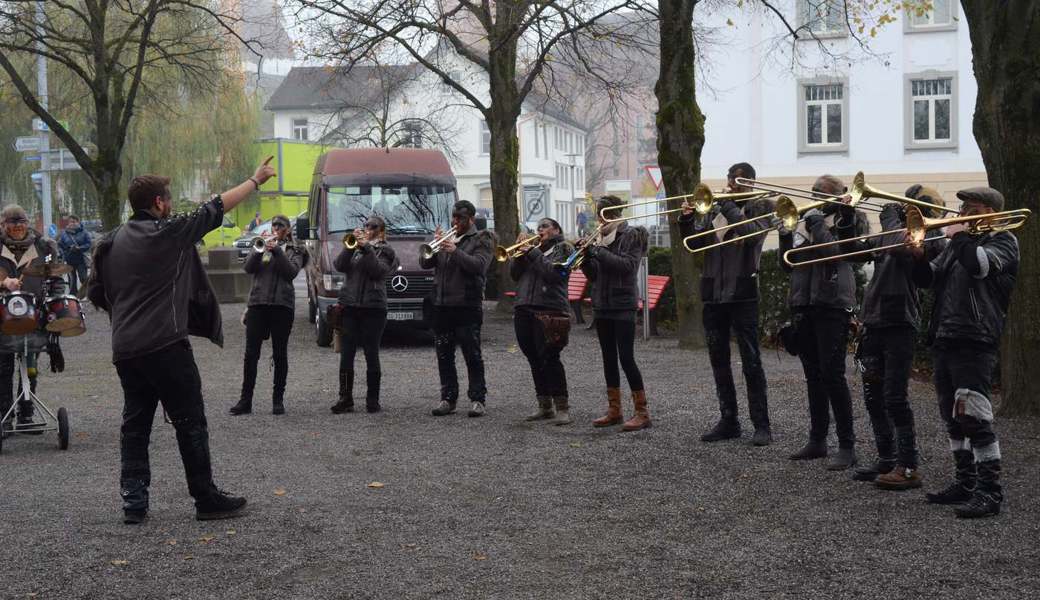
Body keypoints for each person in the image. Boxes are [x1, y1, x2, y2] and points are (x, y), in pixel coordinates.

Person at [87, 157, 276, 524]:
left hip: (125, 349)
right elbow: (216, 207)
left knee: (135, 423)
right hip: (165, 345)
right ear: (158, 203)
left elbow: (96, 293)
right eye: (168, 199)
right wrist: (255, 179)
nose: (171, 204)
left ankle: (134, 502)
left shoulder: (110, 241)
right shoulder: (166, 232)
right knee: (190, 419)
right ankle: (205, 497)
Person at [911, 187, 1018, 518]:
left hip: (976, 336)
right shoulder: (961, 245)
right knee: (952, 416)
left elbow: (979, 267)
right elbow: (927, 279)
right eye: (960, 209)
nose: (960, 214)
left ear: (988, 211)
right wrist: (913, 255)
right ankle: (966, 481)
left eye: (969, 208)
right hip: (946, 335)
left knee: (974, 415)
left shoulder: (1004, 240)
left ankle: (990, 492)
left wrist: (958, 237)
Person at [848, 186, 946, 489]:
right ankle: (887, 458)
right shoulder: (894, 232)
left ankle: (908, 466)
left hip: (900, 322)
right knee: (873, 397)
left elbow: (897, 244)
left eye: (909, 208)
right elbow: (870, 247)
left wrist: (890, 218)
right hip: (875, 320)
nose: (903, 210)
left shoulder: (933, 236)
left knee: (894, 397)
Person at [679, 163, 774, 446]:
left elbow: (754, 236)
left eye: (739, 180)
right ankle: (729, 419)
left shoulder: (761, 206)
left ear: (752, 183)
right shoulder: (717, 209)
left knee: (751, 362)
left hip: (743, 292)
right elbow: (695, 244)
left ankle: (762, 424)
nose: (732, 184)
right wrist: (687, 219)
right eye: (731, 179)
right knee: (718, 360)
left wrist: (730, 207)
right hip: (713, 292)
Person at [778, 175, 866, 470]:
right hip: (804, 303)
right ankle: (817, 440)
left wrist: (816, 224)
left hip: (832, 305)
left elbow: (836, 254)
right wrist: (785, 234)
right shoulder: (806, 221)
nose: (815, 196)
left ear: (838, 195)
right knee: (813, 376)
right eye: (814, 192)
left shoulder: (849, 219)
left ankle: (847, 445)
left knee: (833, 376)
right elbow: (786, 263)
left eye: (822, 192)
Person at [582, 195, 651, 431]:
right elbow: (595, 276)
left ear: (616, 214)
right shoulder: (600, 238)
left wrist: (598, 252)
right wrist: (585, 258)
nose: (601, 220)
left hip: (623, 304)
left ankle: (642, 412)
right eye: (600, 214)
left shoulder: (632, 235)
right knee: (608, 358)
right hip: (602, 304)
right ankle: (615, 410)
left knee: (626, 358)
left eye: (605, 214)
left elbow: (628, 267)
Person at [421, 200, 494, 418]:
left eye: (460, 218)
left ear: (471, 219)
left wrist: (455, 251)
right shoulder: (448, 239)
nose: (455, 221)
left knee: (472, 355)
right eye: (454, 217)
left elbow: (479, 266)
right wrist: (434, 247)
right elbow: (425, 264)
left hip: (467, 305)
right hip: (442, 305)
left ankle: (477, 399)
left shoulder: (482, 239)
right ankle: (448, 398)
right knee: (444, 354)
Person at [230, 214, 308, 416]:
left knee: (279, 354)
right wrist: (260, 249)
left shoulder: (295, 249)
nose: (275, 228)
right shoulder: (261, 245)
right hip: (258, 304)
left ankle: (277, 400)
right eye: (274, 224)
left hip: (282, 306)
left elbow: (290, 272)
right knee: (250, 355)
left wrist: (277, 252)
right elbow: (248, 268)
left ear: (288, 230)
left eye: (280, 225)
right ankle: (245, 401)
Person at [0, 205, 65, 432]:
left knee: (30, 366)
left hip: (34, 315)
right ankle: (4, 417)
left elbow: (54, 275)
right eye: (12, 222)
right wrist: (3, 283)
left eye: (21, 221)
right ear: (3, 224)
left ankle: (26, 415)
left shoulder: (44, 247)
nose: (18, 226)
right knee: (3, 367)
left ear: (27, 222)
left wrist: (56, 300)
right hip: (2, 317)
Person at [330, 216, 399, 414]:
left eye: (373, 226)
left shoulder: (386, 250)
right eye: (366, 226)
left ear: (382, 231)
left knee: (371, 352)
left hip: (374, 308)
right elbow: (340, 266)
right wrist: (350, 246)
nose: (368, 229)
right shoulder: (355, 248)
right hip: (350, 306)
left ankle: (372, 399)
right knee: (347, 354)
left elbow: (378, 271)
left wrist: (367, 248)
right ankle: (345, 398)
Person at [510, 218, 575, 426]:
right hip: (524, 308)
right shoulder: (531, 250)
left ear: (556, 229)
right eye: (538, 227)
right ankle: (544, 405)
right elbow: (514, 275)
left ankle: (562, 407)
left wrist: (532, 253)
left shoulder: (563, 248)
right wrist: (520, 254)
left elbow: (554, 275)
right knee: (533, 358)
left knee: (550, 357)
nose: (540, 230)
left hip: (550, 309)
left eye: (545, 226)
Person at [58, 215, 92, 296]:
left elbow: (89, 244)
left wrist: (79, 248)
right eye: (70, 222)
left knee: (83, 278)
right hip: (69, 260)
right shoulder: (64, 233)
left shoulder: (84, 232)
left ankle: (87, 294)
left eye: (74, 222)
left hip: (80, 260)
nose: (72, 223)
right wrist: (64, 252)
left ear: (78, 222)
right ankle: (73, 296)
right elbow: (60, 245)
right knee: (72, 280)